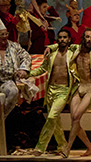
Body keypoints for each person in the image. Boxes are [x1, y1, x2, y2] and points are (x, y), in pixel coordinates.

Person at [29, 28, 76, 156]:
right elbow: (42, 69)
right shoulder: (52, 54)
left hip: (63, 90)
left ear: (69, 39)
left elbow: (83, 46)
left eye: (65, 37)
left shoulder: (73, 53)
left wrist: (51, 45)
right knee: (56, 121)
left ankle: (40, 147)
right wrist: (28, 74)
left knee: (51, 117)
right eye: (60, 37)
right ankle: (62, 146)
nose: (62, 40)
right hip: (50, 90)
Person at [63, 28, 91, 157]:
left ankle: (67, 148)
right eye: (87, 37)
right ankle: (90, 148)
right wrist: (50, 48)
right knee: (74, 119)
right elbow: (61, 43)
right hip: (78, 87)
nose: (89, 39)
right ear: (83, 38)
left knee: (76, 117)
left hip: (89, 88)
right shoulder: (76, 50)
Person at [0, 16, 31, 119]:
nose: (5, 37)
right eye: (1, 34)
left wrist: (23, 69)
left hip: (7, 81)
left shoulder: (13, 46)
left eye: (6, 34)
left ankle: (0, 119)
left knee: (13, 91)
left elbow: (26, 56)